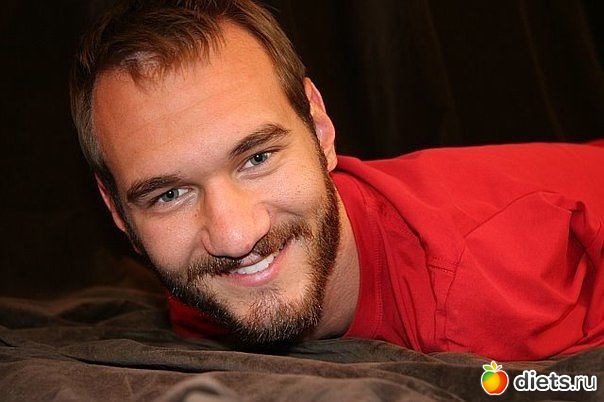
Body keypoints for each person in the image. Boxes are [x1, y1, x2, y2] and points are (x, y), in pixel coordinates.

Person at [70, 0, 604, 361]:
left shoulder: (486, 301)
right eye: (170, 194)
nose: (234, 236)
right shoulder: (202, 288)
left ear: (320, 129)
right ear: (118, 213)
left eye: (257, 158)